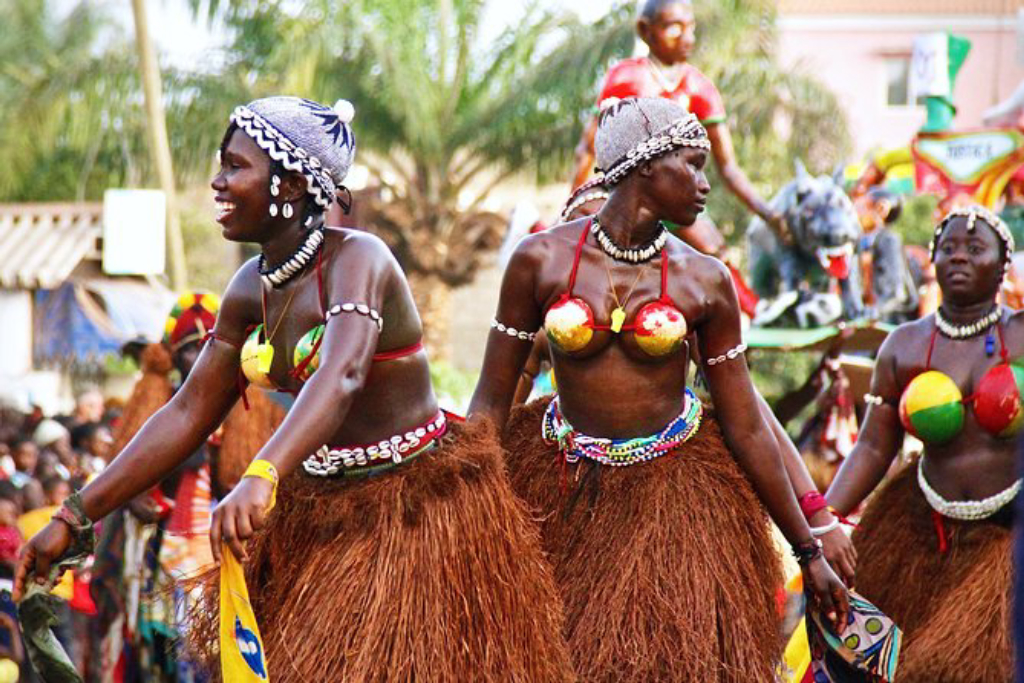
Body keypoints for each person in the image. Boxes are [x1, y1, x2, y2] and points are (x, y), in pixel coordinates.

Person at [17, 96, 573, 682]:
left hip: (417, 515)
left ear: (291, 183)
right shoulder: (247, 288)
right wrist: (77, 515)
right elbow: (187, 412)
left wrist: (262, 474)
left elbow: (343, 373)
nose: (218, 181)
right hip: (318, 514)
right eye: (221, 164)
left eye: (235, 166)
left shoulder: (361, 260)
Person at [471, 96, 848, 682]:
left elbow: (747, 423)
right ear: (647, 165)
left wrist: (809, 545)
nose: (705, 183)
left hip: (677, 501)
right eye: (694, 165)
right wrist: (466, 509)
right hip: (556, 489)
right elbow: (491, 404)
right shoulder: (539, 260)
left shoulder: (706, 279)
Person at [826, 205, 1018, 682]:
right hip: (923, 530)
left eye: (975, 248)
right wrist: (821, 521)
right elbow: (873, 446)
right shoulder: (904, 345)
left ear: (1002, 265)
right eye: (948, 248)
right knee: (872, 654)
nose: (959, 256)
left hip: (1011, 531)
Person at [572, 0, 789, 252]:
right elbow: (587, 151)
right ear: (646, 30)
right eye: (674, 28)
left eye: (691, 28)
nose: (687, 37)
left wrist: (768, 214)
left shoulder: (700, 87)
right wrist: (575, 207)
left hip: (675, 199)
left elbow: (728, 168)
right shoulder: (626, 78)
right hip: (625, 198)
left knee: (714, 252)